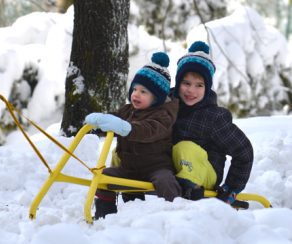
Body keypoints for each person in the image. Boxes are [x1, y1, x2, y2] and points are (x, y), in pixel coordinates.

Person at [84, 52, 181, 219]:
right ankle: (104, 214)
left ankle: (177, 214)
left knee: (166, 181)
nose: (136, 94)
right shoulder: (127, 110)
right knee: (104, 176)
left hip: (156, 168)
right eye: (135, 89)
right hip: (129, 168)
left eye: (144, 92)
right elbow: (113, 121)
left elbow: (148, 130)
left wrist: (126, 128)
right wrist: (98, 124)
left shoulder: (163, 115)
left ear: (157, 97)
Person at [171, 41, 254, 205]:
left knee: (185, 147)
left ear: (207, 88)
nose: (191, 91)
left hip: (205, 172)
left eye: (199, 85)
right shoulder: (168, 106)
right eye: (186, 83)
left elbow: (243, 151)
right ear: (178, 82)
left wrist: (231, 188)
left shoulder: (214, 117)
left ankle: (190, 185)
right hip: (172, 168)